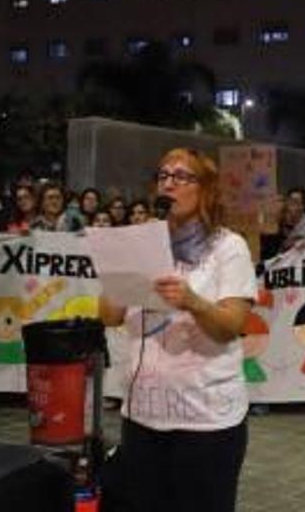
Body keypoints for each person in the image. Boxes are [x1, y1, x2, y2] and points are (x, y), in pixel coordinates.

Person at [98, 148, 257, 512]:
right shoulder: (142, 242)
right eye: (163, 175)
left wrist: (193, 301)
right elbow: (108, 316)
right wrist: (121, 267)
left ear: (206, 189)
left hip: (206, 423)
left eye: (181, 176)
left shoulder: (228, 248)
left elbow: (231, 326)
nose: (168, 183)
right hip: (141, 415)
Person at [260, 188, 305, 260]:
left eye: (295, 202)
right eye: (289, 201)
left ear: (303, 206)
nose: (290, 206)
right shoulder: (274, 228)